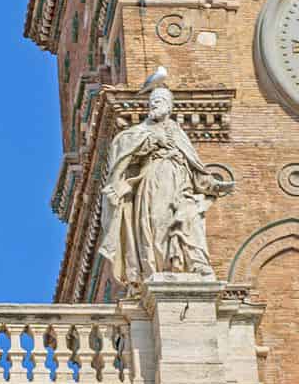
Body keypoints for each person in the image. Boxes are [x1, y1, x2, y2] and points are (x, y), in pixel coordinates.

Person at [97, 68, 233, 287]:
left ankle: (192, 264)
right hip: (154, 182)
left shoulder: (178, 132)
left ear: (169, 107)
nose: (154, 105)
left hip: (182, 184)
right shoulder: (141, 130)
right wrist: (150, 142)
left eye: (159, 101)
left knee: (189, 222)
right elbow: (123, 147)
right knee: (158, 223)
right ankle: (162, 267)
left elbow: (194, 166)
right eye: (152, 101)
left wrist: (215, 186)